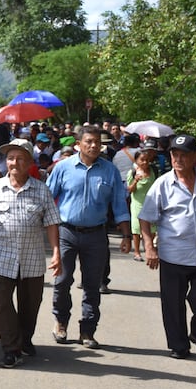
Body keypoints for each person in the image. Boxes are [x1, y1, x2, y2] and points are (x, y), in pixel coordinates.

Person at [0, 139, 62, 368]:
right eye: (10, 158)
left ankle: (25, 339)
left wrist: (56, 252)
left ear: (30, 162)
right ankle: (11, 349)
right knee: (4, 303)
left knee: (30, 305)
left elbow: (51, 223)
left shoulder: (41, 190)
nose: (14, 163)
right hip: (1, 257)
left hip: (32, 258)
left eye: (20, 158)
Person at [45, 125, 131, 349]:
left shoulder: (110, 171)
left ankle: (88, 330)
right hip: (66, 232)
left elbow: (119, 204)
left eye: (97, 142)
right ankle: (61, 322)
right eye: (89, 142)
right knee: (62, 281)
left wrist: (126, 235)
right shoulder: (63, 168)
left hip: (96, 235)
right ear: (78, 144)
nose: (93, 146)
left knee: (92, 285)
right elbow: (47, 198)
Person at [139, 134, 196, 360]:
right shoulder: (162, 184)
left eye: (184, 155)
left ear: (195, 157)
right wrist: (149, 247)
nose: (178, 159)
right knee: (173, 303)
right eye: (174, 155)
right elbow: (145, 217)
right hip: (173, 254)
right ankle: (179, 344)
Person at [126, 151, 157, 262]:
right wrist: (135, 180)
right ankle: (137, 252)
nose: (145, 162)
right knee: (136, 229)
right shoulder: (132, 172)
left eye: (147, 160)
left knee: (152, 229)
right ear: (136, 161)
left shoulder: (153, 171)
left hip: (151, 204)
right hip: (137, 204)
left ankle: (149, 248)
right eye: (142, 160)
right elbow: (130, 190)